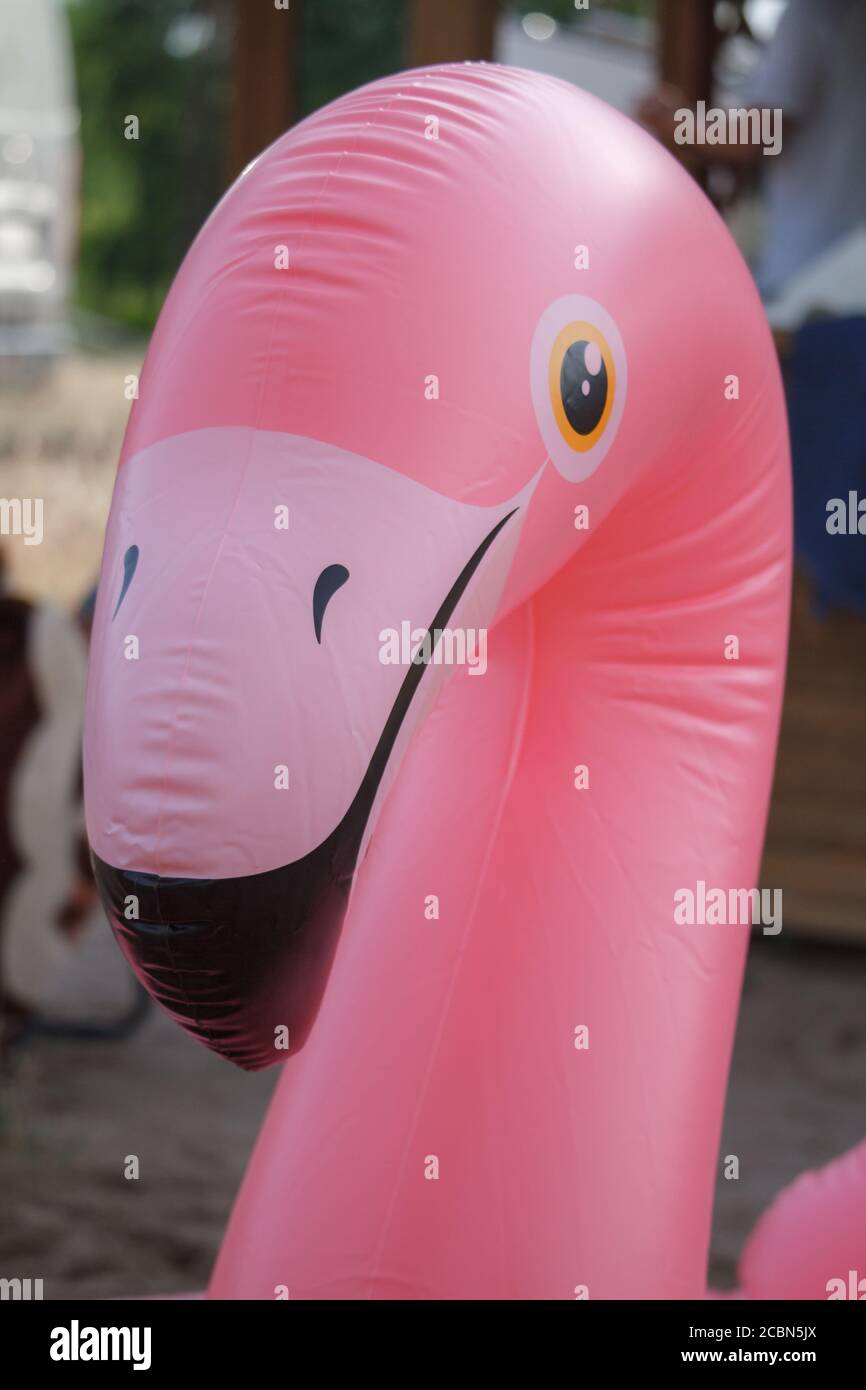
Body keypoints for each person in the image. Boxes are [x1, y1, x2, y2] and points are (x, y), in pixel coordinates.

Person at [638, 0, 866, 299]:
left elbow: (758, 136)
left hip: (805, 277)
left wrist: (671, 123)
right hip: (846, 271)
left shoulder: (810, 15)